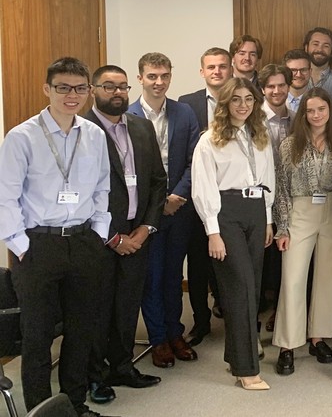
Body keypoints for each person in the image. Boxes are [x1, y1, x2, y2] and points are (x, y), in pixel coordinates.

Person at [1, 57, 113, 415]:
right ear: (47, 89)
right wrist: (19, 245)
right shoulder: (21, 137)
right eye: (63, 87)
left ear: (88, 92)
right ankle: (39, 408)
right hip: (38, 245)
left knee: (82, 330)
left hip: (82, 242)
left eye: (80, 88)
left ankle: (74, 404)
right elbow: (6, 196)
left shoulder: (94, 134)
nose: (72, 95)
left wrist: (98, 233)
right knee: (38, 335)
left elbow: (102, 188)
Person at [84, 65, 167, 404]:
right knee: (96, 310)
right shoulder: (82, 130)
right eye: (108, 87)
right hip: (98, 240)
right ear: (93, 90)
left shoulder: (142, 127)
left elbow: (157, 183)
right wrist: (113, 237)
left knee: (126, 306)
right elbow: (82, 191)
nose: (117, 93)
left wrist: (145, 230)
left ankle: (121, 366)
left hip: (138, 234)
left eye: (122, 87)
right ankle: (94, 376)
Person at [190, 77, 276, 391]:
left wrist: (267, 219)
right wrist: (213, 232)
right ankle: (246, 369)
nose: (242, 105)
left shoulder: (259, 135)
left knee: (251, 290)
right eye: (236, 99)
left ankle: (235, 354)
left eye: (248, 99)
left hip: (256, 213)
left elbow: (268, 177)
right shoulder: (209, 139)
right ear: (225, 103)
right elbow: (202, 189)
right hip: (226, 214)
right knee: (238, 289)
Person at [130, 52, 201, 368]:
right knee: (152, 276)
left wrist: (177, 196)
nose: (159, 82)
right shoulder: (128, 116)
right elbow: (125, 170)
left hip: (180, 209)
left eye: (164, 76)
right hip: (145, 213)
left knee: (174, 276)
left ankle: (176, 333)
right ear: (140, 78)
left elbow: (193, 160)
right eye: (152, 76)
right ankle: (158, 339)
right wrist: (159, 203)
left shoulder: (184, 112)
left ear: (170, 77)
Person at [271, 87, 332, 376]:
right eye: (310, 110)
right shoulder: (291, 144)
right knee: (292, 279)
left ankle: (318, 337)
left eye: (322, 109)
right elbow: (281, 188)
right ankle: (288, 345)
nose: (316, 115)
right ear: (303, 114)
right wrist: (283, 228)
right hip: (300, 212)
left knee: (329, 278)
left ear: (330, 112)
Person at [179, 47, 233, 337]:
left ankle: (231, 315)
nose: (217, 71)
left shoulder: (243, 100)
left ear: (231, 70)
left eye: (222, 66)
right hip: (198, 194)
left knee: (231, 260)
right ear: (202, 72)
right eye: (211, 67)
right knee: (199, 261)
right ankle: (200, 321)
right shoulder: (186, 104)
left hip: (233, 195)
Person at [257, 64, 294, 336]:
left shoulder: (298, 119)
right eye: (271, 86)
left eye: (281, 85)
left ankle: (281, 311)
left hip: (290, 196)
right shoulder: (253, 120)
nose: (276, 90)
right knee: (262, 256)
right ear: (262, 89)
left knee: (286, 257)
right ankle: (258, 311)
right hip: (259, 197)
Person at [303, 27, 332, 105]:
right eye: (315, 44)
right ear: (306, 48)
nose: (320, 49)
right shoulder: (296, 79)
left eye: (326, 46)